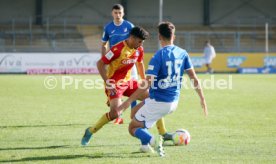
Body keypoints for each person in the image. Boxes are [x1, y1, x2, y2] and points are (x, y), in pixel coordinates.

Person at [116, 22, 208, 157]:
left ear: (159, 37)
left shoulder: (158, 56)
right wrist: (202, 99)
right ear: (173, 37)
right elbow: (193, 77)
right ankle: (144, 146)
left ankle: (155, 141)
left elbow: (146, 84)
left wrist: (127, 102)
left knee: (133, 127)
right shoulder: (183, 53)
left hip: (159, 101)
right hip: (173, 102)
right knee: (134, 113)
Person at [81, 26, 149, 146]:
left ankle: (160, 133)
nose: (141, 44)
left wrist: (143, 81)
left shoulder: (139, 49)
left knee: (152, 98)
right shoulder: (117, 49)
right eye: (139, 41)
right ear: (132, 38)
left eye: (142, 42)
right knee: (115, 114)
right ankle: (90, 131)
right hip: (114, 83)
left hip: (129, 82)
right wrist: (108, 82)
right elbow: (100, 63)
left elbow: (140, 63)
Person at [101, 4, 137, 124]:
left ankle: (134, 114)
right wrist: (104, 58)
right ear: (112, 13)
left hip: (129, 62)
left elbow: (136, 41)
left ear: (123, 13)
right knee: (116, 89)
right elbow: (104, 44)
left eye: (120, 13)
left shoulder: (129, 26)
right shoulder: (108, 27)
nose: (118, 15)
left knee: (134, 87)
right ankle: (118, 116)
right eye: (115, 13)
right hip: (115, 64)